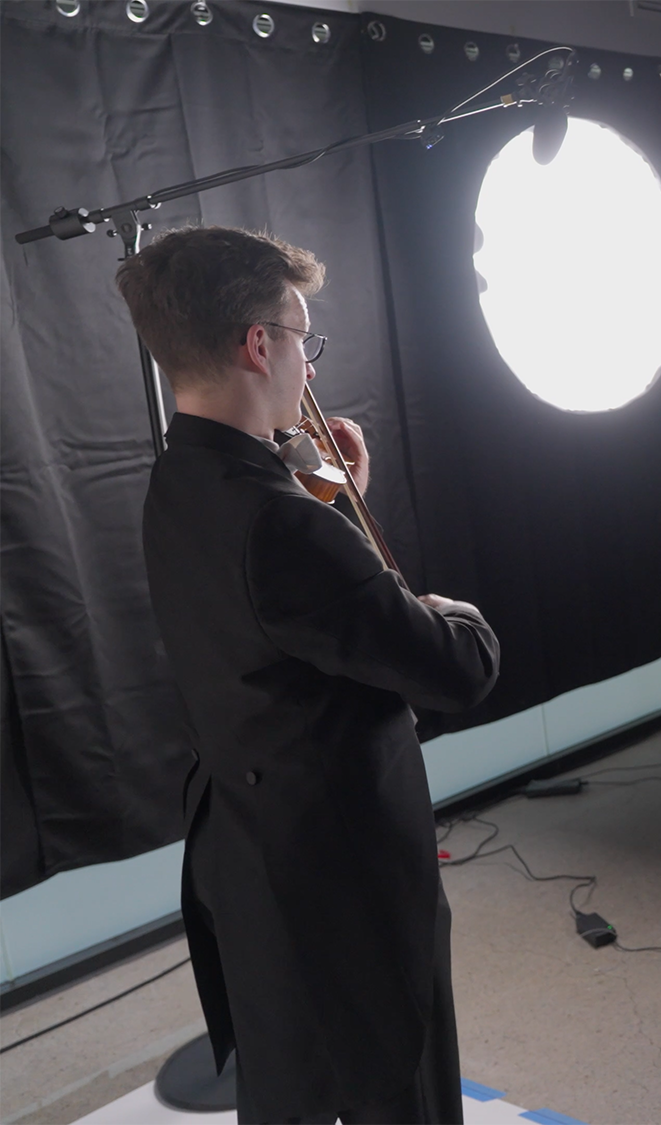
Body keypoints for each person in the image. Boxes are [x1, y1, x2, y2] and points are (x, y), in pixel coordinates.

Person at [117, 227, 500, 1125]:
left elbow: (284, 625)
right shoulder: (285, 526)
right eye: (303, 339)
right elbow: (455, 668)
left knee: (292, 1081)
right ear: (259, 344)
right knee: (395, 1083)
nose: (310, 370)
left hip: (247, 847)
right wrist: (437, 598)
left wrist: (328, 504)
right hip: (339, 869)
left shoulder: (178, 476)